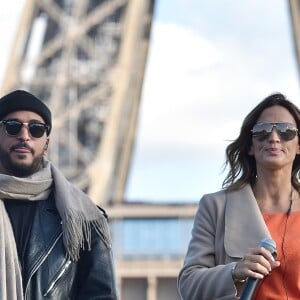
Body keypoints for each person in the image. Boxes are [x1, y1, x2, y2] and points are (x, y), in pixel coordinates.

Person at [177, 92, 300, 299]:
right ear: (250, 146)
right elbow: (189, 283)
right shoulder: (216, 207)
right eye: (262, 131)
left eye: (286, 131)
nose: (274, 137)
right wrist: (234, 271)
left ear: (298, 145)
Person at [0, 89, 118, 299]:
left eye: (36, 129)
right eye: (12, 127)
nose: (24, 136)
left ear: (46, 143)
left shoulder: (85, 220)